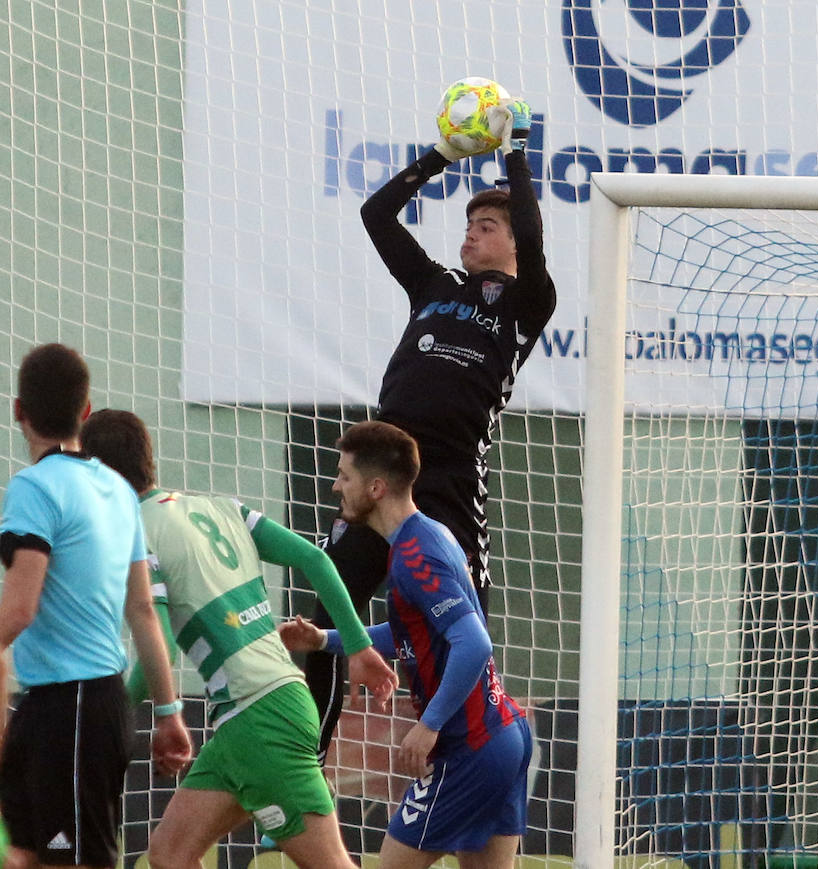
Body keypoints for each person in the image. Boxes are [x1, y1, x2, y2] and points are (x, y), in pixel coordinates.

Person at [302, 96, 556, 765]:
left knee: (459, 632)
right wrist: (443, 156)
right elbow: (375, 214)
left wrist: (517, 150)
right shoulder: (434, 285)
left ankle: (460, 756)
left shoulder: (529, 302)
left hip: (444, 486)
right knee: (330, 609)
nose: (471, 235)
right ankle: (307, 754)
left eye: (488, 226)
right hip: (380, 470)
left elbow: (532, 232)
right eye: (468, 224)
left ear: (514, 244)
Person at [79, 409, 399, 869]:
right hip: (250, 717)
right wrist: (356, 644)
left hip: (261, 719)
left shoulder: (138, 534)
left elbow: (162, 647)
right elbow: (315, 559)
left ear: (101, 476)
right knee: (169, 856)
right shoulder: (220, 508)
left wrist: (118, 715)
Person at [280, 421, 532, 869]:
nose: (336, 486)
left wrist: (430, 724)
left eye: (345, 476)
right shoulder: (426, 537)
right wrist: (325, 639)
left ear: (375, 487)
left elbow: (474, 643)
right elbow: (411, 637)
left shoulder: (416, 556)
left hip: (469, 746)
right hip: (501, 734)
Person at [0, 343, 192, 869]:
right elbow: (143, 611)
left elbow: (18, 610)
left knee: (70, 860)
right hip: (68, 705)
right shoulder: (116, 489)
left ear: (18, 409)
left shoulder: (32, 490)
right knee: (24, 854)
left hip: (73, 708)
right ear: (85, 412)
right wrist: (169, 712)